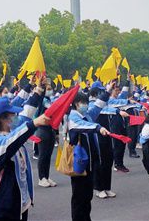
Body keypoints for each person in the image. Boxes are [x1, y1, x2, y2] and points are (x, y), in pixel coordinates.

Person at [0, 79, 50, 221]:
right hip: (3, 206)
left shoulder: (11, 131)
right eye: (13, 114)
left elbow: (26, 116)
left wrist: (38, 90)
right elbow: (10, 143)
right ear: (3, 119)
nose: (16, 116)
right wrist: (34, 124)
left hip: (19, 203)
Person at [67, 89, 110, 221]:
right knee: (79, 198)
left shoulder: (86, 116)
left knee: (87, 197)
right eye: (82, 102)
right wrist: (98, 128)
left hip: (90, 164)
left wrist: (108, 92)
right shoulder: (73, 117)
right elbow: (83, 126)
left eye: (86, 102)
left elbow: (97, 107)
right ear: (75, 104)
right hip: (79, 164)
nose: (85, 105)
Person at [36, 83, 57, 188]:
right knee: (43, 155)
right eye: (48, 89)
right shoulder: (42, 100)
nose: (51, 90)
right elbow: (52, 109)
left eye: (51, 89)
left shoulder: (49, 100)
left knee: (48, 155)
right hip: (42, 130)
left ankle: (46, 176)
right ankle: (41, 178)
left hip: (50, 130)